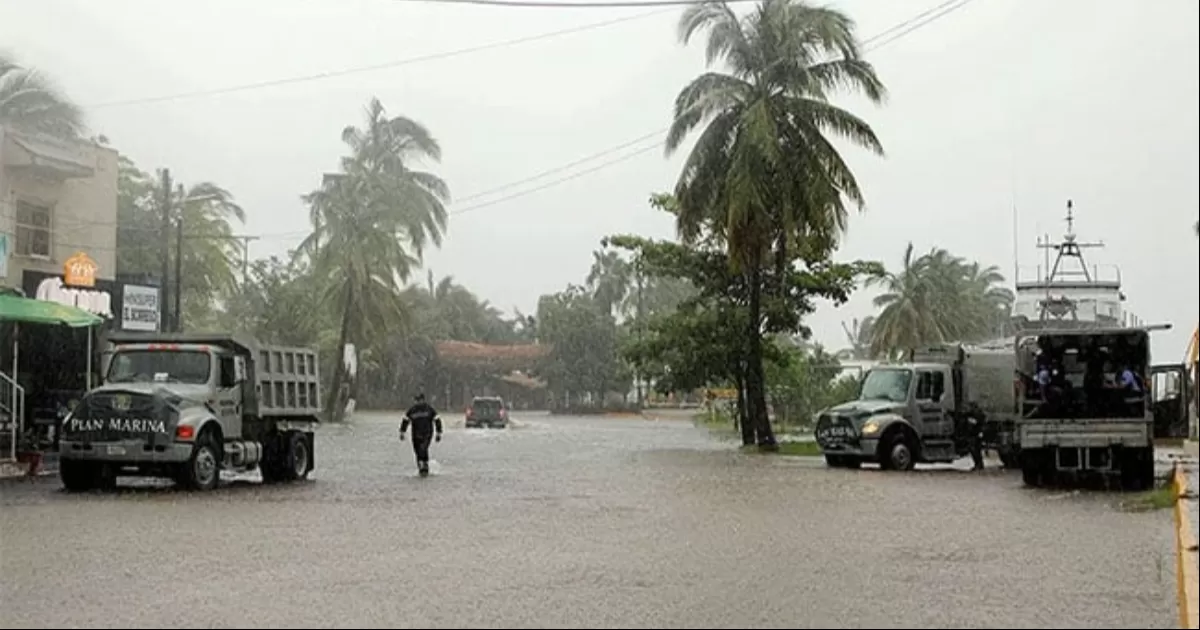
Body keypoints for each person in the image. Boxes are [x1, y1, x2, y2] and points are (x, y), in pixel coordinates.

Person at [399, 393, 443, 476]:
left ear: (423, 400)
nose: (418, 402)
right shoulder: (412, 410)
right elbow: (405, 420)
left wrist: (439, 432)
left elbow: (437, 420)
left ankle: (425, 465)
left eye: (420, 400)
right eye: (417, 400)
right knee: (417, 451)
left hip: (427, 433)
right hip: (415, 434)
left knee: (423, 448)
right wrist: (402, 432)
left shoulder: (429, 409)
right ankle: (420, 467)